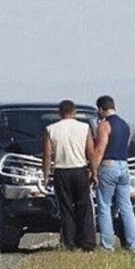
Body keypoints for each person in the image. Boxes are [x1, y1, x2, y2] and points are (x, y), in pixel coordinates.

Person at [42, 100, 96, 252]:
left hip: (61, 170)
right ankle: (87, 242)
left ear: (60, 113)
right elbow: (90, 151)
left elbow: (47, 154)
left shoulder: (51, 129)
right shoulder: (84, 128)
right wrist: (94, 171)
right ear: (74, 112)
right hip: (80, 169)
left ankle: (69, 242)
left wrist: (46, 175)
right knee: (84, 207)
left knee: (66, 208)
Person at [90, 94, 135, 252]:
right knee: (126, 206)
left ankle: (107, 246)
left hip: (109, 165)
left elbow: (100, 149)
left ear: (100, 109)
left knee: (104, 206)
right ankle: (134, 244)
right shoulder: (125, 125)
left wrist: (93, 170)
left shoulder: (104, 125)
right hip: (124, 166)